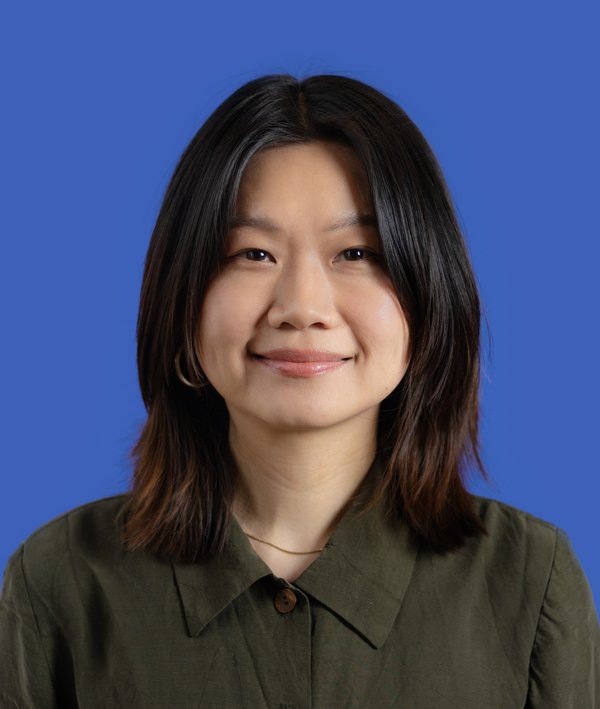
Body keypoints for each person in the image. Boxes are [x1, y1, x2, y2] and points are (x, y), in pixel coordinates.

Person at [1, 73, 598, 708]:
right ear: (183, 301)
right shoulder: (60, 582)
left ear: (430, 300)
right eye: (253, 254)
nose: (303, 307)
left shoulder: (531, 582)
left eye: (358, 253)